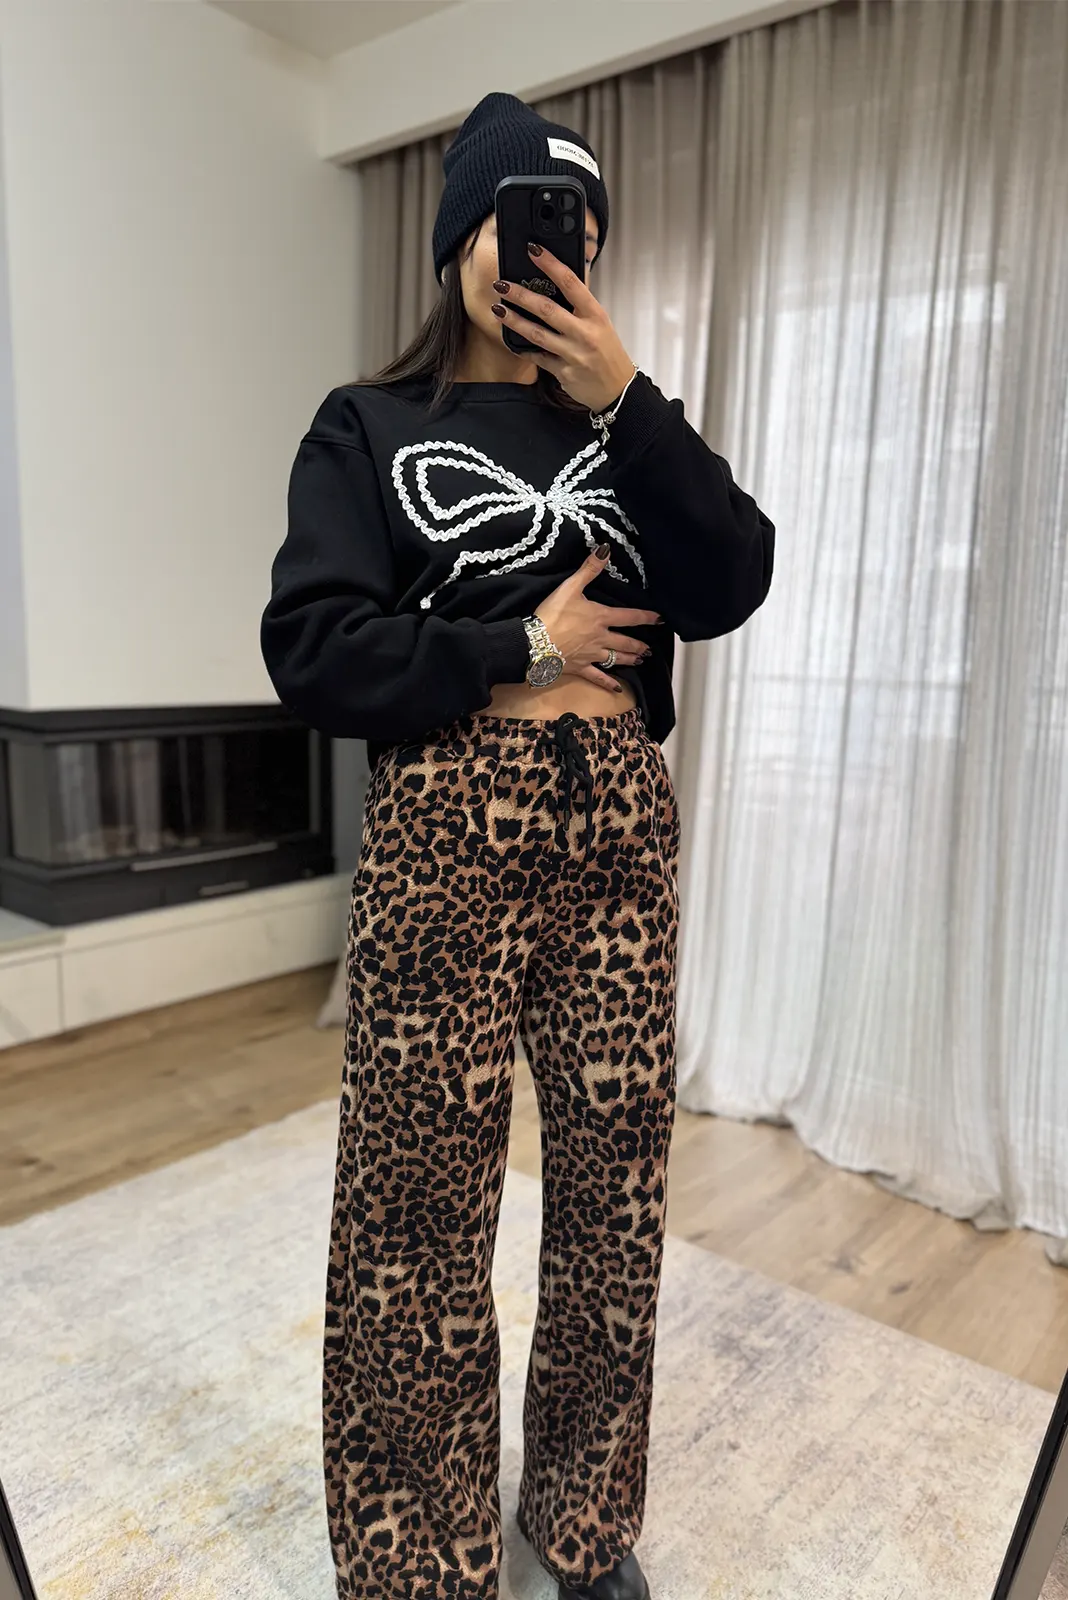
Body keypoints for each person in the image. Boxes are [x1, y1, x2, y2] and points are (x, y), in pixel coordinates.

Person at [260, 90, 774, 1600]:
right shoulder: (367, 427)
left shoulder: (621, 427)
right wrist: (520, 644)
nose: (554, 256)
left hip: (617, 820)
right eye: (527, 224)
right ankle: (420, 1552)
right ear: (459, 236)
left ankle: (586, 1519)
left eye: (581, 240)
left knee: (617, 1190)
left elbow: (733, 576)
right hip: (449, 821)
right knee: (417, 1198)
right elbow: (313, 647)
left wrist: (630, 395)